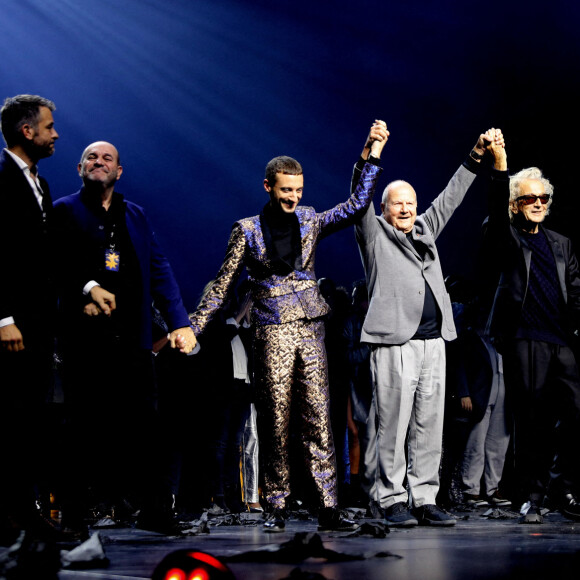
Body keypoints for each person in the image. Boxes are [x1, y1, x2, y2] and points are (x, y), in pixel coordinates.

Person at [189, 121, 388, 532]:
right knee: (275, 420)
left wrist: (372, 154)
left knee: (318, 417)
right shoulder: (245, 229)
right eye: (285, 191)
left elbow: (354, 205)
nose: (293, 198)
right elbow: (223, 283)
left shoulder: (311, 220)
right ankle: (276, 504)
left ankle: (328, 507)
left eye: (298, 191)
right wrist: (193, 326)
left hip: (311, 326)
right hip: (271, 329)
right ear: (268, 186)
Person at [354, 128, 496, 527]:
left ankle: (424, 497)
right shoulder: (373, 233)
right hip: (395, 343)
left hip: (435, 344)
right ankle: (390, 498)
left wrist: (476, 155)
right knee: (393, 426)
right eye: (397, 203)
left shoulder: (424, 230)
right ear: (384, 209)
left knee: (429, 426)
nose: (405, 209)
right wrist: (372, 155)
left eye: (410, 203)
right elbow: (358, 197)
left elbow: (451, 196)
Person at [53, 141, 196, 534]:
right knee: (83, 428)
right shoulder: (64, 210)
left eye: (107, 159)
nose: (99, 162)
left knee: (147, 429)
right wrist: (86, 288)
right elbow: (56, 264)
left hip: (134, 341)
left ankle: (153, 510)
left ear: (119, 172)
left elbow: (159, 267)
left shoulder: (136, 215)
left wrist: (178, 321)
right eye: (91, 158)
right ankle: (75, 515)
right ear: (79, 167)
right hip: (85, 341)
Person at [484, 135, 580, 523]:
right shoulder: (507, 238)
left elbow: (575, 293)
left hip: (562, 342)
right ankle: (532, 496)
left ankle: (562, 487)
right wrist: (500, 163)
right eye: (529, 198)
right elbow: (494, 206)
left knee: (576, 415)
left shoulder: (561, 243)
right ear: (514, 205)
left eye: (543, 199)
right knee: (532, 421)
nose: (538, 204)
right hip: (525, 340)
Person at [0, 94, 59, 544]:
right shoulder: (2, 180)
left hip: (39, 323)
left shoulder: (41, 184)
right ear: (27, 132)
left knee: (31, 420)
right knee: (10, 418)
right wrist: (3, 317)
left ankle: (25, 510)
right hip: (13, 324)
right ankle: (9, 514)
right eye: (48, 126)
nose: (54, 133)